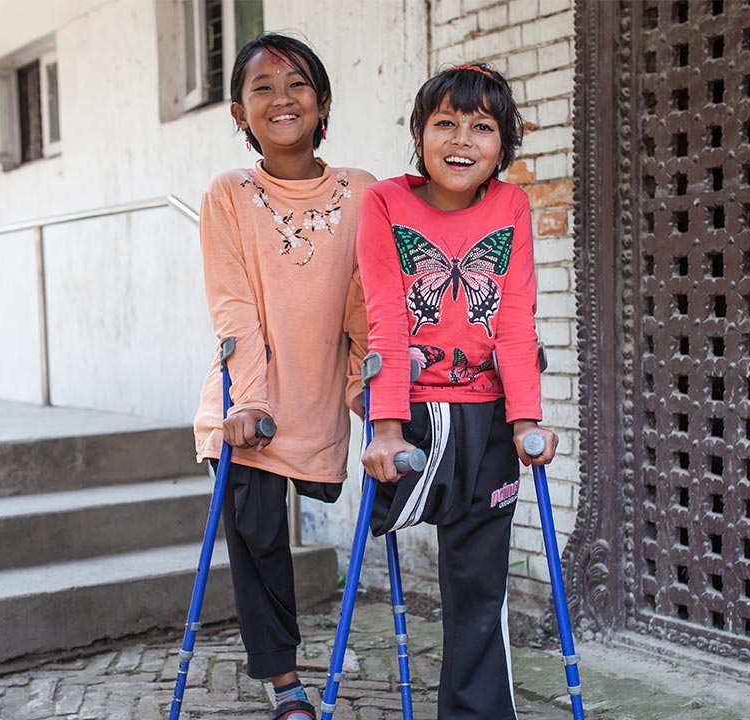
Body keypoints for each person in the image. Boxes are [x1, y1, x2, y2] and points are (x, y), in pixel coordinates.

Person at [355, 62, 558, 719]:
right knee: (393, 523)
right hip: (411, 415)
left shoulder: (511, 206)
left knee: (478, 585)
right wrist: (385, 427)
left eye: (482, 126)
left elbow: (515, 319)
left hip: (488, 419)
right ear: (420, 134)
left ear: (506, 144)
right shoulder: (387, 201)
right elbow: (385, 314)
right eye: (445, 122)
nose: (462, 139)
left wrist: (527, 418)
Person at [192, 32, 373, 720]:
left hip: (319, 393)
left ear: (322, 101)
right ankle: (284, 681)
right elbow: (232, 304)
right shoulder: (227, 194)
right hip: (245, 396)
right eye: (260, 88)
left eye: (296, 83)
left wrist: (369, 394)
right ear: (240, 114)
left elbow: (366, 305)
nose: (280, 98)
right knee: (259, 532)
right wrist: (251, 400)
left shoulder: (364, 191)